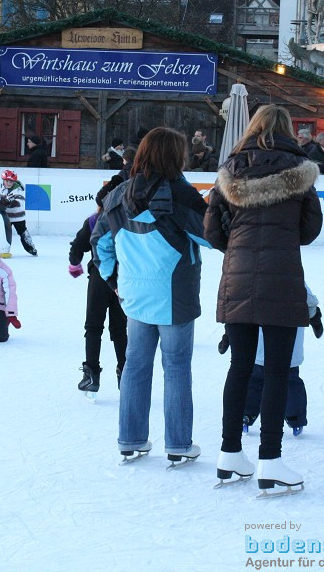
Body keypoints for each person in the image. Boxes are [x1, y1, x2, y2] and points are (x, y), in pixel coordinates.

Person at [204, 104, 322, 491]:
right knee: (275, 371)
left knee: (240, 367)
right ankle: (269, 460)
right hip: (281, 281)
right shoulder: (301, 173)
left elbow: (213, 233)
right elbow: (309, 230)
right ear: (288, 130)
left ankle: (229, 455)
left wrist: (239, 247)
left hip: (237, 280)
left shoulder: (230, 171)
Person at [92, 127, 210, 466]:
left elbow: (100, 245)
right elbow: (212, 237)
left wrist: (115, 281)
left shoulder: (118, 195)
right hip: (174, 296)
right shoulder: (181, 194)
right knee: (175, 368)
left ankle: (130, 439)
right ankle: (178, 444)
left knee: (135, 367)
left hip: (135, 295)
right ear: (175, 156)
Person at [68, 176, 127, 396]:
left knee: (93, 326)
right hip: (122, 279)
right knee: (120, 328)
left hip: (98, 278)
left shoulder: (94, 221)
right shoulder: (127, 219)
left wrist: (74, 264)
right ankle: (125, 372)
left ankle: (91, 374)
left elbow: (78, 246)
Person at [239, 287, 323, 437]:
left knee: (265, 379)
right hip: (279, 341)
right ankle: (249, 414)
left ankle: (292, 417)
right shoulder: (291, 271)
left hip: (272, 341)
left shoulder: (256, 275)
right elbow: (309, 299)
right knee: (284, 380)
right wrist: (315, 316)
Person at [0, 169, 36, 258]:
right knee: (3, 233)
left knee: (23, 233)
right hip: (6, 216)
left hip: (18, 217)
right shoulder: (2, 189)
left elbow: (19, 201)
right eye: (6, 181)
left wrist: (10, 202)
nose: (8, 183)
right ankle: (3, 249)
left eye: (11, 181)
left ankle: (30, 248)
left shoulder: (18, 190)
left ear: (14, 181)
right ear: (3, 180)